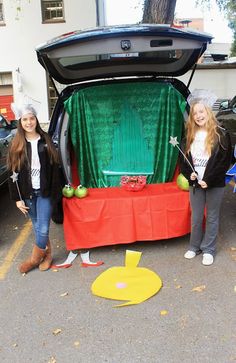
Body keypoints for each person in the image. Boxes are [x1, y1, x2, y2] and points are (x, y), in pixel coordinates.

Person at [7, 103, 62, 273]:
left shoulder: (45, 140)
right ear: (20, 122)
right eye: (25, 119)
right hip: (28, 194)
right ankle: (47, 255)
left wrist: (55, 194)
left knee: (43, 227)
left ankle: (33, 259)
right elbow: (12, 172)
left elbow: (54, 167)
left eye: (31, 118)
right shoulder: (17, 144)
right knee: (38, 226)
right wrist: (17, 199)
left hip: (44, 192)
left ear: (36, 120)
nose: (29, 122)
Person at [181, 90, 232, 266]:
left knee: (211, 216)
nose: (198, 116)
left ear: (208, 112)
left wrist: (208, 179)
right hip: (196, 184)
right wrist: (191, 175)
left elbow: (223, 162)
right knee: (196, 217)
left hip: (214, 183)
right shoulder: (189, 135)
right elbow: (184, 161)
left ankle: (208, 249)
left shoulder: (220, 134)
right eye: (195, 113)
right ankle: (194, 247)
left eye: (201, 112)